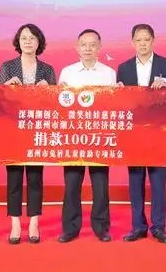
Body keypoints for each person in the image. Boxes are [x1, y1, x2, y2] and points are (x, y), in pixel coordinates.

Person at [116, 23, 166, 244]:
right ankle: (138, 227)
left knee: (158, 183)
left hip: (159, 133)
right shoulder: (123, 69)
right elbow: (120, 103)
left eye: (146, 40)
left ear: (153, 41)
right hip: (134, 134)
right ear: (132, 42)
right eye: (138, 40)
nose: (142, 44)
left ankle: (159, 227)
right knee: (135, 182)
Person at [0, 23, 57, 245]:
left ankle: (33, 222)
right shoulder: (8, 67)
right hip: (12, 130)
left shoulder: (47, 70)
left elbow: (56, 104)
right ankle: (14, 223)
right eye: (24, 38)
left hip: (37, 130)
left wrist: (49, 91)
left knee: (35, 177)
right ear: (18, 42)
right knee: (13, 177)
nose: (28, 41)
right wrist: (5, 87)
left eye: (32, 38)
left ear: (39, 42)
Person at [57, 29, 117, 243]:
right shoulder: (67, 72)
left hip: (99, 137)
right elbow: (60, 104)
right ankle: (70, 228)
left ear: (99, 48)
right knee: (72, 184)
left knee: (100, 185)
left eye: (92, 45)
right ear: (77, 47)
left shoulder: (109, 73)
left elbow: (113, 104)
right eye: (84, 44)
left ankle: (101, 227)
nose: (88, 49)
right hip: (73, 137)